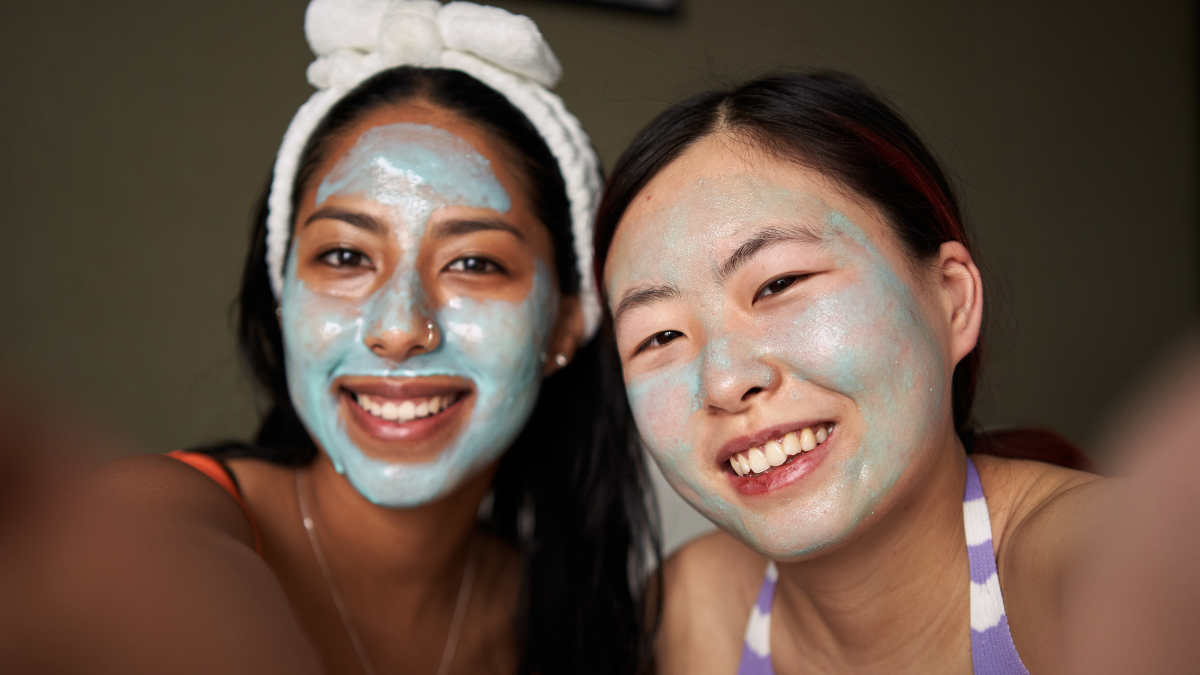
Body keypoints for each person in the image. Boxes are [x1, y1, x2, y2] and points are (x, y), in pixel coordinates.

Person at [42, 2, 657, 674]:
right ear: (282, 294)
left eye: (474, 263)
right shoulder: (173, 514)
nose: (398, 329)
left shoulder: (581, 620)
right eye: (344, 257)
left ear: (569, 319)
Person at [593, 71, 1100, 674]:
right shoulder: (690, 614)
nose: (725, 383)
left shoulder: (1108, 571)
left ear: (952, 299)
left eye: (779, 283)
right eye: (659, 337)